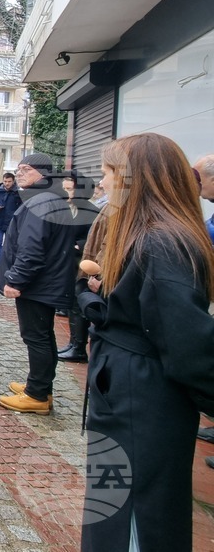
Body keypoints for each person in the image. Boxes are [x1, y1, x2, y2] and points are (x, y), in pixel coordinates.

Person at [78, 134, 214, 552]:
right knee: (113, 503)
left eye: (107, 175)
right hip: (125, 391)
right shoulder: (145, 234)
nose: (101, 185)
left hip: (142, 398)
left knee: (132, 515)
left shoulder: (162, 241)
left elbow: (188, 345)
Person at [0, 153, 77, 415]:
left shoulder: (41, 202)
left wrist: (16, 280)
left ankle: (37, 395)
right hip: (46, 282)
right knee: (43, 336)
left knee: (36, 338)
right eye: (18, 169)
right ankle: (40, 386)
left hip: (38, 284)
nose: (19, 173)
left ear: (43, 173)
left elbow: (32, 249)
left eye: (26, 169)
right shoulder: (50, 198)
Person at [56, 170, 100, 363]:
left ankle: (79, 347)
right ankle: (74, 343)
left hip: (83, 263)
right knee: (73, 304)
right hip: (68, 262)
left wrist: (79, 245)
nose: (66, 193)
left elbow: (97, 237)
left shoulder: (91, 210)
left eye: (70, 189)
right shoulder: (66, 207)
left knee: (78, 304)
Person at [0, 171, 21, 272]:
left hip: (11, 221)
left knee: (10, 243)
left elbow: (21, 206)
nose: (7, 183)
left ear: (13, 181)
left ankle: (9, 263)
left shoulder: (17, 192)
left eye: (9, 181)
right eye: (5, 181)